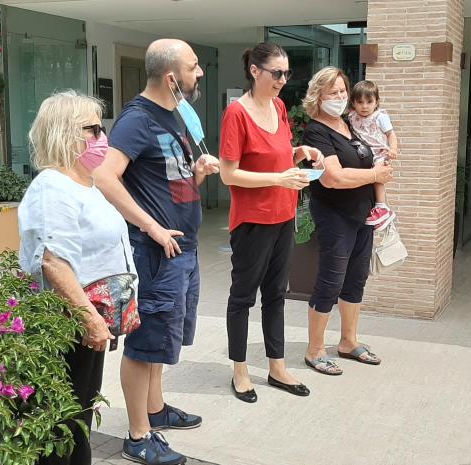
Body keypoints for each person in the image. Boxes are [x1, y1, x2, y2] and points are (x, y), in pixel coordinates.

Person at [93, 38, 219, 465]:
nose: (199, 72)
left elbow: (166, 182)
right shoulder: (137, 119)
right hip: (155, 251)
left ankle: (156, 408)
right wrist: (150, 226)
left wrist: (196, 173)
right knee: (145, 342)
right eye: (193, 66)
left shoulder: (174, 114)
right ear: (171, 76)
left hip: (182, 248)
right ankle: (138, 436)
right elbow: (105, 177)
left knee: (163, 337)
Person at [17, 91, 122, 465]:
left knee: (78, 420)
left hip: (84, 325)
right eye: (93, 129)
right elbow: (53, 262)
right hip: (66, 326)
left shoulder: (84, 184)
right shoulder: (53, 187)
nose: (102, 138)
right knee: (62, 427)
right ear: (64, 133)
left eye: (102, 128)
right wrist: (90, 318)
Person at [218, 42, 322, 403]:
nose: (283, 80)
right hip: (252, 220)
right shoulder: (237, 113)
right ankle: (240, 370)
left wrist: (299, 153)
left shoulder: (278, 107)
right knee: (243, 296)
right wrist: (279, 178)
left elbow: (276, 156)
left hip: (283, 214)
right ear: (254, 71)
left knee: (276, 294)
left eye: (286, 73)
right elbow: (229, 174)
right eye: (277, 72)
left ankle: (277, 367)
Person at [299, 66, 393, 376]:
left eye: (343, 91)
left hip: (362, 215)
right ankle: (315, 350)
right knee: (331, 281)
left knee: (356, 280)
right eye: (333, 92)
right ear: (318, 96)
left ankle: (348, 342)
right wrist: (375, 174)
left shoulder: (350, 124)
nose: (340, 97)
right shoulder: (316, 132)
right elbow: (333, 177)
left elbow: (372, 151)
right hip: (335, 216)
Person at [348, 80, 399, 231]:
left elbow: (391, 134)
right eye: (360, 102)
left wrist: (393, 149)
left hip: (379, 153)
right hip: (364, 153)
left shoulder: (379, 117)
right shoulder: (352, 116)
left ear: (376, 102)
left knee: (377, 178)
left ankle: (382, 207)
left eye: (369, 102)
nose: (364, 106)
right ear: (353, 102)